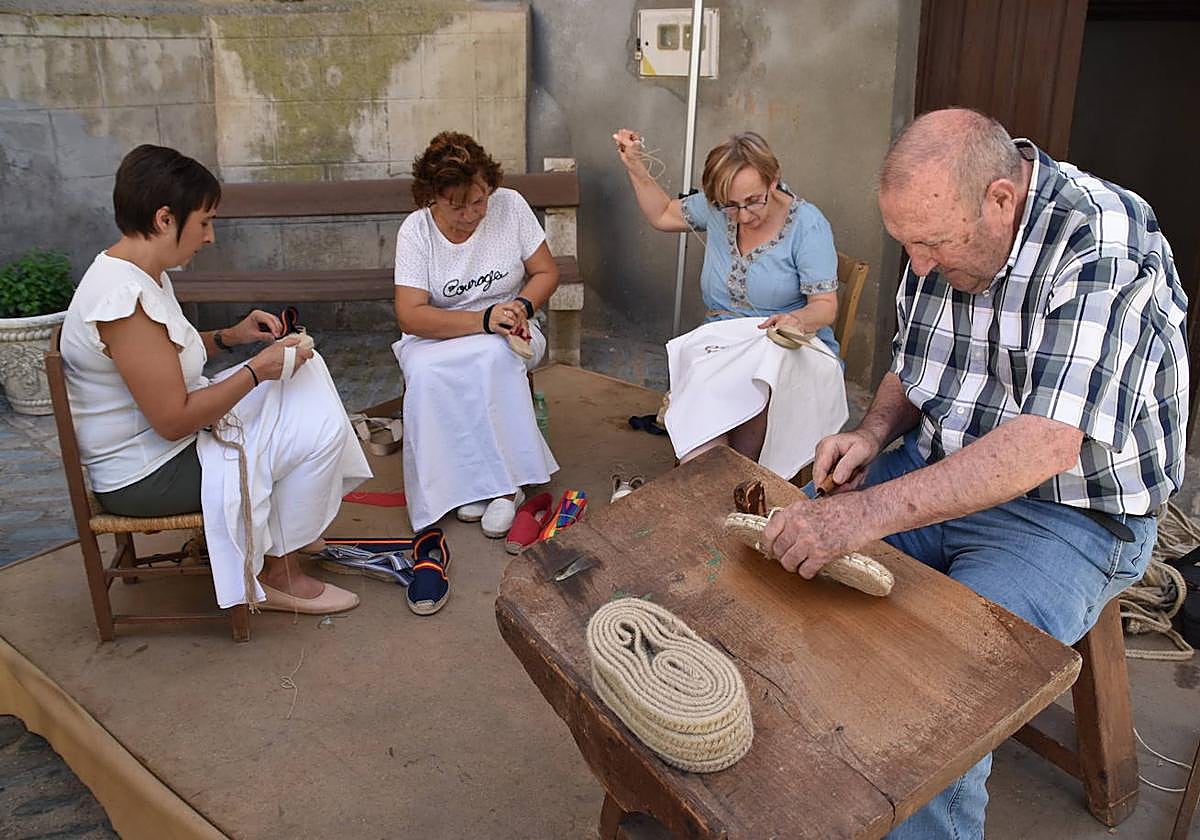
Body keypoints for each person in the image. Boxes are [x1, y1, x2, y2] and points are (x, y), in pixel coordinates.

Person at [763, 108, 1188, 838]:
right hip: (939, 465)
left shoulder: (1104, 244)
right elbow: (919, 356)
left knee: (937, 700)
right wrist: (872, 430)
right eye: (907, 246)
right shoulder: (945, 226)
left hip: (1071, 514)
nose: (920, 264)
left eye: (931, 245)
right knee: (776, 571)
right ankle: (805, 788)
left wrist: (862, 516)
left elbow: (1046, 445)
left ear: (1000, 199)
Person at [60, 145, 372, 615]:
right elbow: (173, 420)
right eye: (204, 222)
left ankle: (289, 531)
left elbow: (168, 357)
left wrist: (231, 336)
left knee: (306, 384)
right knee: (312, 430)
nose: (209, 237)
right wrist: (255, 370)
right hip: (147, 473)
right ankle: (278, 570)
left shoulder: (139, 272)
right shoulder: (124, 299)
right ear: (166, 218)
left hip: (163, 448)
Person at [613, 128, 848, 478]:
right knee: (710, 386)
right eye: (730, 205)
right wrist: (634, 166)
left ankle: (729, 480)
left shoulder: (807, 225)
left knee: (758, 381)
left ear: (774, 180)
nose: (742, 215)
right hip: (724, 340)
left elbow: (825, 307)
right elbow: (662, 213)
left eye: (753, 201)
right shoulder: (718, 209)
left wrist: (796, 319)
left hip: (787, 345)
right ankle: (714, 485)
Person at [393, 131, 560, 537]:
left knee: (494, 357)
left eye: (479, 200)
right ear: (431, 197)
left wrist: (521, 308)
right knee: (428, 373)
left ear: (490, 185)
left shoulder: (511, 206)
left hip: (510, 326)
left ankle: (506, 486)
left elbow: (546, 273)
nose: (470, 214)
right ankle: (460, 483)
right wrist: (482, 320)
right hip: (438, 334)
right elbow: (411, 315)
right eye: (456, 206)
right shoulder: (416, 231)